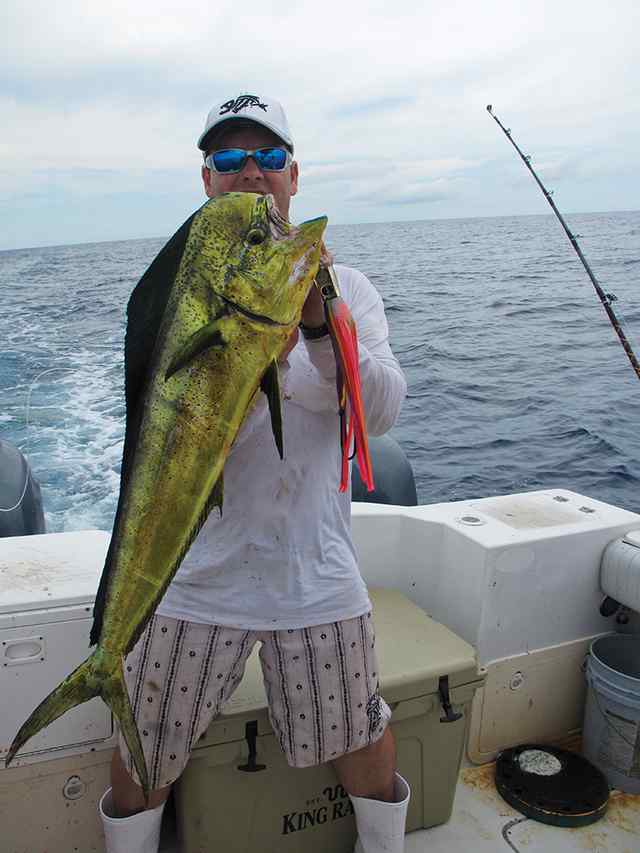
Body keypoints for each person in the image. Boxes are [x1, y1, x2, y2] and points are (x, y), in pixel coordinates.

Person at [98, 94, 408, 853]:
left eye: (268, 158)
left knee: (362, 740)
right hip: (199, 574)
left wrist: (310, 326)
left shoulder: (348, 288)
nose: (251, 174)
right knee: (145, 753)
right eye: (229, 161)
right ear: (206, 182)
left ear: (294, 175)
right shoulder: (181, 299)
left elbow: (384, 407)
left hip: (316, 568)